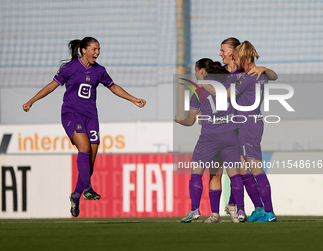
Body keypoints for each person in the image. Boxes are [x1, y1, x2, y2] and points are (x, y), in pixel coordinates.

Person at [23, 37, 146, 217]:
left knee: (90, 161)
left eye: (99, 49)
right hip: (71, 114)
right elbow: (51, 86)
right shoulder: (70, 68)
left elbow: (113, 87)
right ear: (84, 50)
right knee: (85, 148)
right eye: (94, 49)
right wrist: (31, 101)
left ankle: (75, 195)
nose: (97, 52)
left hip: (91, 117)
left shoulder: (99, 70)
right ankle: (88, 188)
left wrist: (133, 99)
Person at [203, 41, 277, 223]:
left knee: (255, 168)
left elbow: (226, 94)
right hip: (248, 124)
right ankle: (259, 209)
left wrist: (203, 85)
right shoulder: (258, 74)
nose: (235, 61)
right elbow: (273, 76)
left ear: (243, 57)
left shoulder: (248, 77)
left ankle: (269, 213)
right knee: (243, 169)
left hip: (248, 126)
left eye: (236, 58)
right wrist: (265, 69)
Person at [174, 58, 245, 223]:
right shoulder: (228, 84)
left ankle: (195, 210)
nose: (195, 73)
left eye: (196, 70)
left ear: (203, 72)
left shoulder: (199, 91)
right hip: (230, 135)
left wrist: (180, 120)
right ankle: (239, 211)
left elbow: (190, 121)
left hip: (209, 138)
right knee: (232, 175)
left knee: (196, 173)